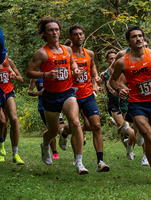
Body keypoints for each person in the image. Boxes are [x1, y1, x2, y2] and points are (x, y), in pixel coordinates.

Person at [26, 16, 88, 174]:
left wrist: (74, 69)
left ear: (60, 31)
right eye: (50, 30)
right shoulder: (41, 53)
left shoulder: (67, 49)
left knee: (75, 122)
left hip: (67, 92)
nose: (54, 33)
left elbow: (72, 62)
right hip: (50, 96)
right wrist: (45, 75)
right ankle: (45, 145)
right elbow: (29, 73)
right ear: (44, 34)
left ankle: (79, 162)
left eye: (56, 30)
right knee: (53, 131)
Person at [109, 26, 151, 185]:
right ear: (129, 41)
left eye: (140, 36)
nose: (138, 39)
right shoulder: (123, 62)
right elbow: (112, 80)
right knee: (149, 139)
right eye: (134, 37)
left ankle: (140, 137)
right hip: (136, 104)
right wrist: (119, 89)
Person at [59, 25, 110, 172]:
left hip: (87, 94)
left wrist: (95, 78)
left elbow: (92, 66)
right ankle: (79, 162)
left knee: (96, 126)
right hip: (71, 95)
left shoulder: (90, 53)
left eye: (81, 34)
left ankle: (100, 161)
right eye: (75, 34)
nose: (79, 37)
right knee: (75, 125)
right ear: (70, 37)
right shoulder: (66, 55)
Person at [100, 48, 137, 160]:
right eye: (111, 59)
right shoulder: (104, 74)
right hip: (113, 103)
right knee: (125, 127)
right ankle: (119, 127)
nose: (113, 60)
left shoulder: (123, 70)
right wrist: (98, 86)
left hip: (125, 101)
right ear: (107, 61)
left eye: (115, 58)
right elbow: (102, 85)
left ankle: (128, 146)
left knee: (129, 127)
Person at [28, 77, 66, 159]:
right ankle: (54, 152)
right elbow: (29, 92)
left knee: (61, 129)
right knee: (52, 131)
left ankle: (58, 140)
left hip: (56, 105)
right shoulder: (36, 76)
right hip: (43, 107)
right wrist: (39, 93)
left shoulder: (55, 74)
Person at [0, 55, 24, 164]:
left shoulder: (8, 61)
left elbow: (21, 79)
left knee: (14, 119)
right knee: (2, 122)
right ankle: (1, 146)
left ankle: (15, 154)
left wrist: (14, 76)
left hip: (8, 92)